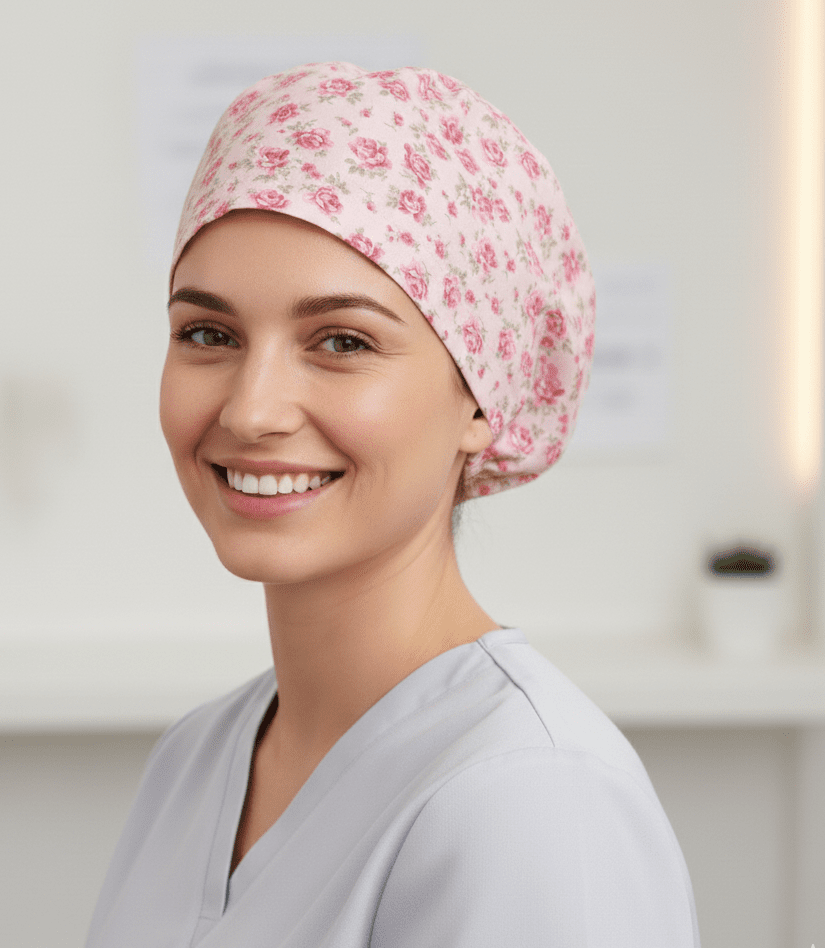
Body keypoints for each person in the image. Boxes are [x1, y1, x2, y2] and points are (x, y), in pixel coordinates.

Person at [86, 62, 700, 947]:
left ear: (481, 399)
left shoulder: (531, 798)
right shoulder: (195, 760)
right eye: (208, 335)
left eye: (341, 341)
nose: (252, 409)